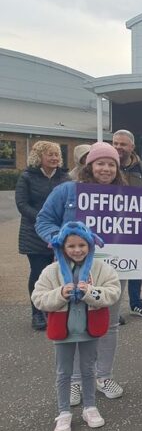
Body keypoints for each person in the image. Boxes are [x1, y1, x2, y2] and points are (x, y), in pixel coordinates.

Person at [37, 142, 142, 404]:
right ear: (89, 165)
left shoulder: (127, 195)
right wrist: (59, 239)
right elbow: (44, 220)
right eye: (100, 163)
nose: (106, 168)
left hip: (111, 269)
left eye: (111, 164)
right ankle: (75, 381)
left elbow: (140, 224)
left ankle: (103, 375)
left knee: (108, 323)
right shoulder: (67, 190)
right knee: (74, 323)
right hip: (72, 270)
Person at [32, 221, 120, 431]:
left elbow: (113, 291)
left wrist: (91, 292)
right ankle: (63, 413)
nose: (77, 250)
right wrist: (59, 294)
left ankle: (90, 407)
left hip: (90, 330)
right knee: (64, 373)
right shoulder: (51, 271)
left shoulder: (101, 268)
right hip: (63, 332)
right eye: (71, 246)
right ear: (62, 247)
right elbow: (38, 297)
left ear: (90, 245)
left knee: (89, 369)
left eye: (82, 245)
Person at [15, 140, 69, 330]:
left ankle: (53, 309)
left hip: (60, 233)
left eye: (57, 155)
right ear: (39, 157)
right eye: (50, 154)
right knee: (38, 273)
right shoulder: (27, 177)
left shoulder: (65, 178)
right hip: (34, 234)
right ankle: (37, 312)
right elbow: (22, 204)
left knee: (59, 272)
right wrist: (44, 219)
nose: (54, 158)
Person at [112, 129, 142, 318]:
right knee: (111, 266)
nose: (118, 147)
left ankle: (136, 303)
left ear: (132, 147)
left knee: (135, 265)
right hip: (110, 225)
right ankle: (113, 308)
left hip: (135, 225)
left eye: (123, 144)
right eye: (115, 143)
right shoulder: (107, 164)